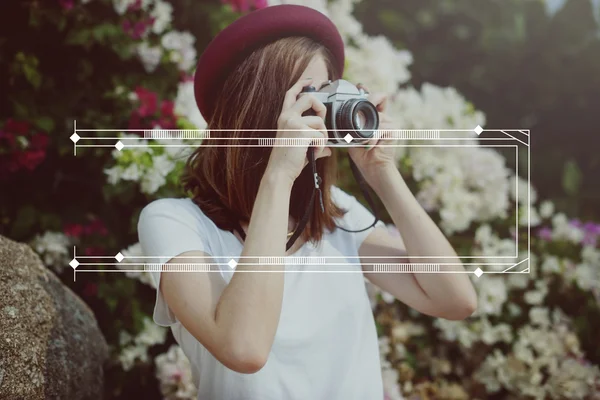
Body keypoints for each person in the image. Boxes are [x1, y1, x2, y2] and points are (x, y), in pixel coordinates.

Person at [138, 5, 478, 400]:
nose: (322, 110)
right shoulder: (175, 223)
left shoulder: (336, 215)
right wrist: (278, 174)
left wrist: (382, 171)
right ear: (255, 106)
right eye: (307, 95)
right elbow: (244, 348)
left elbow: (455, 299)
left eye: (329, 92)